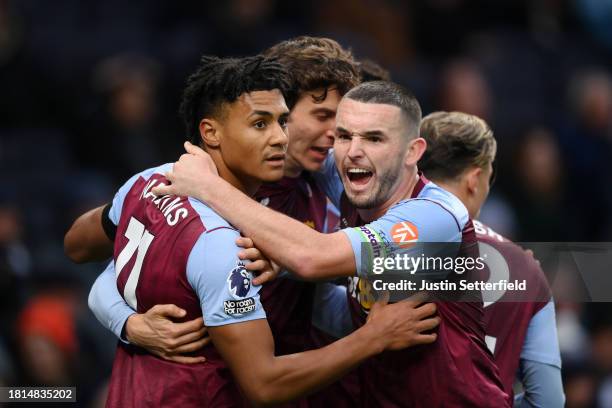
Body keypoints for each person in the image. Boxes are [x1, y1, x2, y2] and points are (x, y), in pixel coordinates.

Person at [92, 55, 440, 407]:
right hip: (226, 387)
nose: (338, 136)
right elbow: (97, 251)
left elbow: (318, 298)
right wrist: (127, 321)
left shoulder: (333, 185)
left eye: (347, 127)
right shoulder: (194, 192)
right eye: (322, 116)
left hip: (309, 383)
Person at [154, 80, 510, 407]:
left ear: (412, 152)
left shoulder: (433, 217)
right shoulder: (356, 190)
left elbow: (313, 257)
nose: (353, 151)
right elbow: (349, 306)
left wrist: (208, 186)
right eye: (343, 136)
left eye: (374, 138)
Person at [418, 111, 564, 407]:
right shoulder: (526, 268)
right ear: (474, 178)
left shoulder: (379, 243)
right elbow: (547, 401)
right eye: (489, 176)